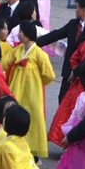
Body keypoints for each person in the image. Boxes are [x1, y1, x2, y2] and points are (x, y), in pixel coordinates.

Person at [7, 22, 56, 157]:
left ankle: (33, 149)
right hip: (16, 88)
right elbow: (5, 63)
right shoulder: (17, 50)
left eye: (21, 32)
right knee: (14, 114)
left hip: (33, 91)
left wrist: (38, 82)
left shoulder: (39, 54)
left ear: (28, 34)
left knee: (33, 116)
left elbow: (49, 75)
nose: (18, 35)